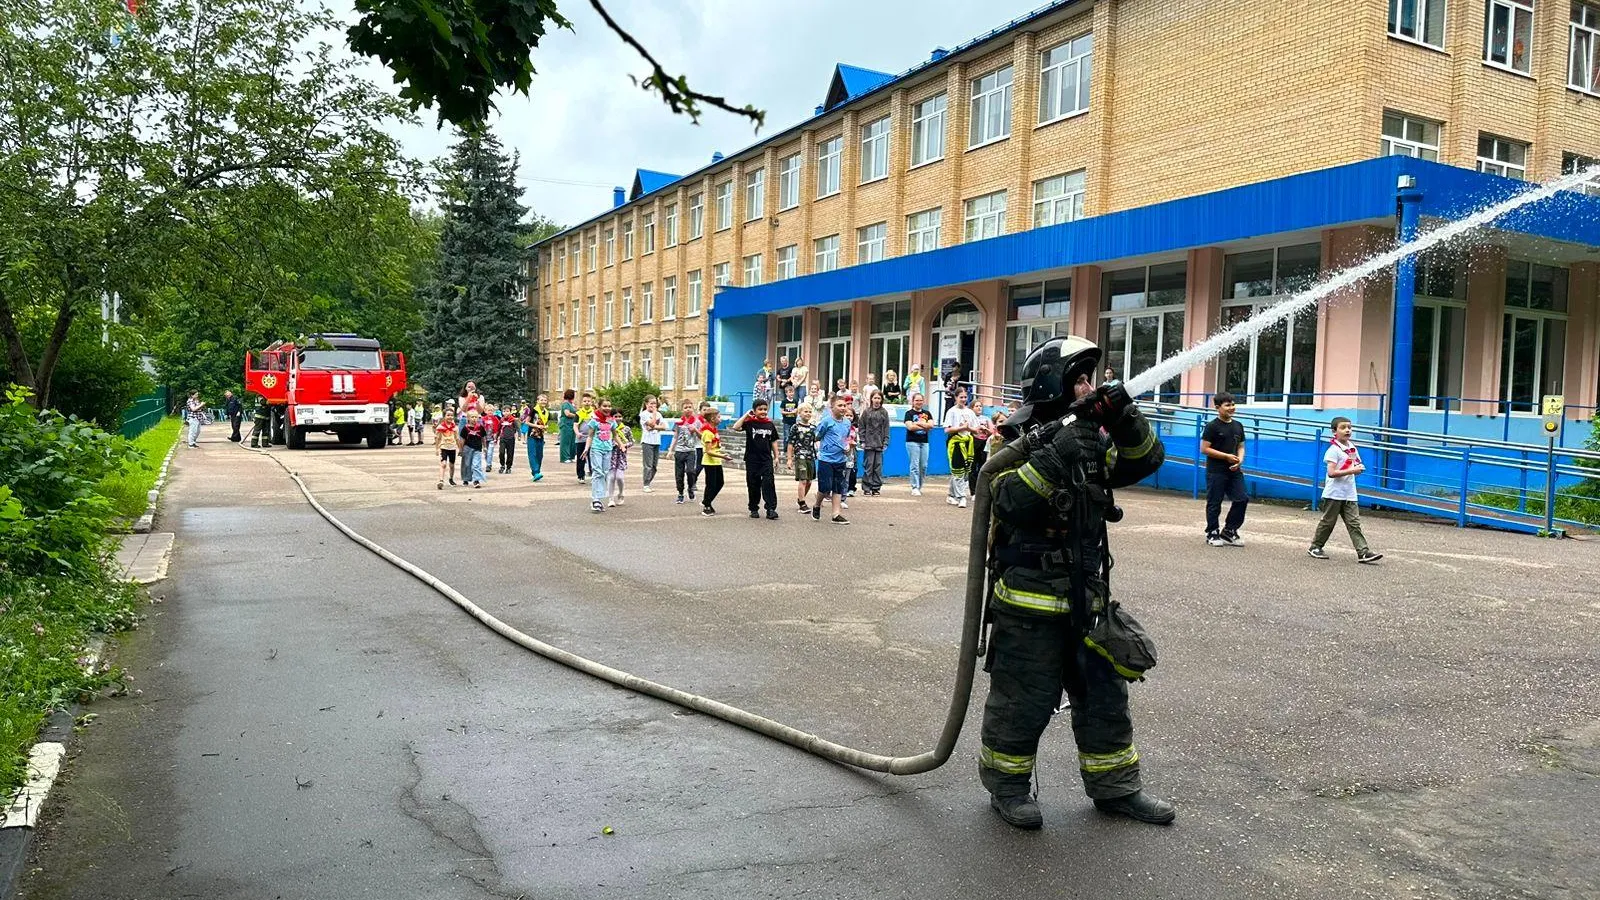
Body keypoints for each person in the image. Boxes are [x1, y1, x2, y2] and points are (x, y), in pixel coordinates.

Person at [980, 335, 1174, 830]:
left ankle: (1117, 788)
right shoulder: (1015, 437)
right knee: (1023, 700)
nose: (1090, 387)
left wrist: (1124, 417)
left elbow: (1144, 461)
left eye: (1091, 379)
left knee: (1105, 695)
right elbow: (1004, 500)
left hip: (1088, 598)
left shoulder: (1092, 437)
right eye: (1081, 379)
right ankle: (1007, 788)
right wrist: (1053, 456)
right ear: (1054, 385)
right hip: (1029, 600)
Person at [1309, 417, 1383, 563]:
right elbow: (1331, 473)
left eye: (1349, 427)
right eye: (1343, 427)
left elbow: (1354, 464)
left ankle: (1363, 552)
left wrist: (1358, 468)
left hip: (1349, 493)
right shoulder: (1333, 451)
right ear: (1334, 431)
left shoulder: (1352, 448)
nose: (1347, 430)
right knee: (1328, 522)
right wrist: (1352, 471)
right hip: (1334, 493)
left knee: (1354, 523)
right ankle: (1315, 546)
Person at [1201, 392, 1248, 547]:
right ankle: (1212, 532)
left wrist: (1240, 460)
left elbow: (1241, 446)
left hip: (1234, 470)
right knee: (1215, 502)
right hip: (1216, 470)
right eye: (1227, 405)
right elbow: (1205, 449)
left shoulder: (1238, 425)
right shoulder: (1212, 426)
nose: (1231, 407)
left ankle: (1229, 531)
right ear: (1217, 407)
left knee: (1242, 498)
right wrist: (1226, 456)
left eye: (1233, 404)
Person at [733, 399, 780, 519]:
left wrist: (776, 457)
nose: (763, 411)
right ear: (754, 411)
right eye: (760, 409)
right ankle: (753, 508)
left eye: (765, 409)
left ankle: (770, 509)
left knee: (768, 483)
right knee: (753, 484)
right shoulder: (750, 423)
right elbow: (736, 427)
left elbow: (774, 441)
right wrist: (746, 415)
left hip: (766, 460)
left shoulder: (770, 424)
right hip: (752, 459)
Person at [811, 395, 852, 525]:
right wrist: (819, 446)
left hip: (840, 459)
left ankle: (836, 514)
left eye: (844, 405)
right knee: (825, 487)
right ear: (832, 407)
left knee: (838, 487)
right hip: (826, 459)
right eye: (839, 405)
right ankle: (817, 504)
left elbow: (846, 438)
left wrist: (847, 446)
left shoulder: (847, 423)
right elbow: (817, 436)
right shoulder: (826, 421)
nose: (843, 408)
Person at [943, 389, 979, 509]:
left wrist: (968, 428)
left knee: (965, 471)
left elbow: (976, 430)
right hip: (956, 443)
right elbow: (947, 429)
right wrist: (960, 428)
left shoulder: (970, 412)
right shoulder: (952, 411)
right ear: (956, 398)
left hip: (968, 443)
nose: (963, 399)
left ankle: (951, 494)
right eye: (961, 397)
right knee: (958, 469)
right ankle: (961, 496)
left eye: (965, 397)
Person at [582, 398, 616, 512]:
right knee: (597, 472)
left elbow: (615, 435)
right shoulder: (594, 420)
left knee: (605, 473)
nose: (607, 408)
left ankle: (599, 499)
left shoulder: (611, 420)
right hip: (596, 448)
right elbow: (590, 436)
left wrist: (621, 444)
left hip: (608, 449)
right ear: (599, 406)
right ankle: (595, 499)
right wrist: (586, 448)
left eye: (609, 406)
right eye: (604, 406)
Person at [787, 404, 818, 514]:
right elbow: (790, 443)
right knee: (803, 480)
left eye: (810, 411)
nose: (808, 414)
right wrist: (789, 459)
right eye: (805, 411)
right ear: (799, 413)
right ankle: (802, 504)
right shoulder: (795, 427)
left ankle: (800, 498)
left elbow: (816, 441)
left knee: (809, 481)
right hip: (800, 456)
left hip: (811, 456)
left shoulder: (813, 428)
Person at [858, 391, 890, 496]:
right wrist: (862, 440)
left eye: (879, 398)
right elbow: (861, 427)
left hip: (879, 444)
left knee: (878, 467)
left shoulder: (884, 412)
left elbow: (886, 428)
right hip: (868, 443)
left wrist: (886, 441)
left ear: (881, 400)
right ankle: (866, 487)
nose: (877, 400)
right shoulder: (866, 412)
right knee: (869, 466)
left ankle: (876, 487)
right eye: (875, 398)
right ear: (871, 399)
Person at [903, 393, 933, 496]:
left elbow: (931, 425)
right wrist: (925, 426)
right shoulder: (909, 413)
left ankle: (919, 486)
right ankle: (914, 487)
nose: (919, 402)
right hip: (912, 442)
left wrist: (918, 423)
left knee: (923, 465)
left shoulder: (927, 413)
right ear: (913, 401)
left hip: (924, 442)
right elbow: (910, 427)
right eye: (916, 400)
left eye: (920, 400)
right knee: (914, 465)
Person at [697, 404, 724, 516]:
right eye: (719, 417)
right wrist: (723, 456)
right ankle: (707, 506)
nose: (720, 419)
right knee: (711, 484)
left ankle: (706, 501)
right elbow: (708, 451)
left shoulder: (714, 430)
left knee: (720, 483)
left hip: (716, 461)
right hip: (709, 462)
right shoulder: (707, 433)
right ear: (713, 419)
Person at [672, 401, 702, 504]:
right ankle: (680, 493)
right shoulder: (678, 422)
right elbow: (675, 437)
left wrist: (695, 430)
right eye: (685, 407)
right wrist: (670, 450)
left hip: (691, 451)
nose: (688, 409)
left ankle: (690, 488)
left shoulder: (697, 422)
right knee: (679, 474)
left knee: (690, 471)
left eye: (690, 407)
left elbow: (702, 436)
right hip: (679, 451)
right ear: (682, 409)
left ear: (693, 408)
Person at [639, 396, 668, 493]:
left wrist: (654, 427)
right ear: (646, 404)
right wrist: (654, 416)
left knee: (654, 466)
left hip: (656, 441)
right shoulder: (644, 414)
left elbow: (664, 427)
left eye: (654, 403)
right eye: (651, 403)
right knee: (648, 465)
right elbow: (651, 424)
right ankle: (646, 484)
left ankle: (648, 481)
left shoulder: (659, 414)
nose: (653, 405)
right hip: (647, 441)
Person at [525, 394, 550, 481]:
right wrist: (537, 426)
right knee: (532, 454)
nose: (543, 402)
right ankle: (535, 472)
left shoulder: (546, 412)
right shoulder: (534, 410)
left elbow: (545, 423)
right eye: (541, 400)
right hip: (532, 435)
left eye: (545, 400)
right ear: (538, 401)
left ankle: (537, 472)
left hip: (541, 436)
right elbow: (527, 422)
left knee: (540, 455)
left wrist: (546, 427)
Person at [460, 410, 488, 488]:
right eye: (472, 417)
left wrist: (485, 447)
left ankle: (476, 480)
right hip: (467, 448)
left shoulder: (480, 427)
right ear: (468, 418)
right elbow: (462, 439)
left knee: (476, 465)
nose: (474, 419)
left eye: (476, 417)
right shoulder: (465, 428)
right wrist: (461, 449)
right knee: (466, 464)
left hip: (477, 448)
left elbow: (483, 438)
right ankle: (466, 479)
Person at [607, 420, 632, 507]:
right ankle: (611, 499)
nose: (618, 418)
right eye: (616, 416)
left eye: (619, 416)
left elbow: (631, 441)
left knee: (619, 477)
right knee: (611, 477)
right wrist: (613, 444)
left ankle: (621, 493)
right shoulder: (607, 427)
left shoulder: (626, 429)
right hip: (611, 455)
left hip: (621, 455)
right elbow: (604, 440)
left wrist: (624, 445)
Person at [435, 412, 460, 489]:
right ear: (444, 416)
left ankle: (451, 479)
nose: (450, 417)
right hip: (444, 447)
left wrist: (460, 449)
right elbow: (438, 438)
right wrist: (437, 448)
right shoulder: (440, 427)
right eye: (448, 415)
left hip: (452, 447)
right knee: (443, 464)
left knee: (452, 465)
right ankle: (441, 480)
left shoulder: (455, 427)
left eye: (452, 415)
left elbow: (457, 438)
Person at [575, 393, 596, 483]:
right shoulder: (578, 413)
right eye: (585, 401)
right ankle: (581, 476)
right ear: (582, 403)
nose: (587, 403)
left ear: (591, 402)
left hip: (592, 439)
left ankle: (593, 474)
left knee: (592, 457)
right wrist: (577, 433)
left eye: (588, 401)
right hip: (581, 439)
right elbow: (575, 425)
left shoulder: (594, 413)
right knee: (581, 458)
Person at [777, 386, 799, 462]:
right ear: (786, 393)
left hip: (793, 421)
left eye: (792, 392)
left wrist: (795, 412)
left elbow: (796, 410)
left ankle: (792, 451)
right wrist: (790, 412)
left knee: (793, 437)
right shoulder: (784, 401)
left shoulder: (795, 401)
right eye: (789, 392)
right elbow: (782, 411)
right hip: (786, 422)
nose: (791, 393)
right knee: (786, 437)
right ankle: (785, 451)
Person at [558, 389, 579, 465]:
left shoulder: (571, 404)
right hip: (566, 424)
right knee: (565, 441)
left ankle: (571, 456)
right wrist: (576, 415)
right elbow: (567, 413)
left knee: (572, 441)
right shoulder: (566, 404)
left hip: (572, 424)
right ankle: (565, 457)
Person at [497, 406, 518, 474]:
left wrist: (519, 436)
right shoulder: (501, 420)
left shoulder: (513, 420)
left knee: (510, 454)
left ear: (510, 412)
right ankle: (502, 465)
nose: (506, 413)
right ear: (502, 412)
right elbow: (498, 429)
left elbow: (517, 428)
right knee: (501, 452)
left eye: (507, 411)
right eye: (504, 411)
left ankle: (508, 467)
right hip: (503, 438)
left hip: (511, 439)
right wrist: (496, 437)